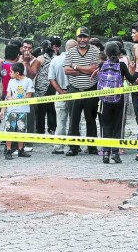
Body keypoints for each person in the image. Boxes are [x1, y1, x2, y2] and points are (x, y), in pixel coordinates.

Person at [97, 42, 138, 164]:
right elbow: (131, 80)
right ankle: (115, 153)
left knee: (106, 126)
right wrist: (137, 70)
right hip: (118, 100)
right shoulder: (121, 66)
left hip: (104, 100)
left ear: (106, 53)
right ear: (119, 53)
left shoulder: (102, 65)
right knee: (117, 126)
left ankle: (105, 153)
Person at [64, 26, 100, 156]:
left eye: (85, 37)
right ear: (76, 38)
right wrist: (85, 69)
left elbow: (94, 69)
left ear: (89, 38)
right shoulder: (71, 52)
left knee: (91, 119)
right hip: (74, 90)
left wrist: (76, 67)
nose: (82, 39)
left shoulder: (95, 51)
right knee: (73, 120)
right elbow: (66, 70)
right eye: (80, 37)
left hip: (91, 90)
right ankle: (73, 147)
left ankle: (92, 147)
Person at [48, 39, 77, 155]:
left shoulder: (55, 60)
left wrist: (60, 91)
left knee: (60, 121)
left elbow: (51, 79)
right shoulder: (76, 61)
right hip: (75, 93)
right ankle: (74, 145)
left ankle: (58, 145)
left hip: (60, 93)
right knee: (75, 121)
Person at [0, 62, 34, 160]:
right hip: (11, 110)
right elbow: (8, 96)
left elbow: (28, 96)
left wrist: (15, 100)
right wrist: (3, 110)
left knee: (21, 129)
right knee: (10, 129)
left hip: (23, 110)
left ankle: (20, 149)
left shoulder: (28, 81)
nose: (9, 73)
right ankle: (8, 150)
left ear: (17, 73)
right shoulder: (11, 82)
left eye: (11, 72)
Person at [34, 38, 59, 135]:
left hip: (42, 86)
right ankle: (52, 128)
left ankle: (40, 130)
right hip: (53, 84)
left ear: (41, 48)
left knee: (41, 109)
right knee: (52, 108)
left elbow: (34, 72)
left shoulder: (40, 58)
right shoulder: (56, 57)